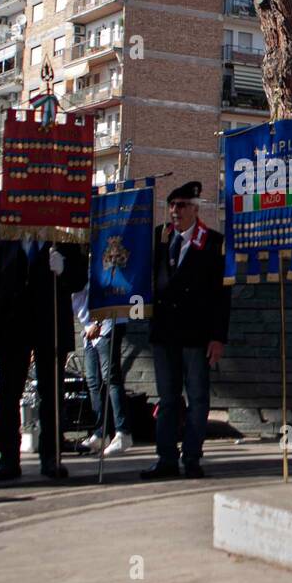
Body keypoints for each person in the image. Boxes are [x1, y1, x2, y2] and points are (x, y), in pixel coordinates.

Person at [141, 182, 230, 481]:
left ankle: (191, 457)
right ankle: (165, 458)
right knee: (167, 399)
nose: (174, 211)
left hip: (196, 334)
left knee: (198, 399)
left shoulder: (213, 242)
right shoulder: (160, 238)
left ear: (195, 207)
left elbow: (221, 295)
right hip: (165, 333)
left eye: (180, 205)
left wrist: (218, 336)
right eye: (172, 205)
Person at [0, 237, 87, 482]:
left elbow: (79, 280)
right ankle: (8, 458)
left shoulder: (64, 242)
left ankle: (51, 457)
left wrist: (64, 270)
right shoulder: (6, 242)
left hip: (50, 326)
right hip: (14, 329)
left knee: (52, 394)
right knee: (8, 393)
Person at [74, 278, 131, 456]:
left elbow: (112, 289)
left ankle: (123, 432)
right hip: (88, 324)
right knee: (93, 380)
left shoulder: (100, 259)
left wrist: (97, 323)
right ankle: (101, 432)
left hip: (107, 322)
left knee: (110, 377)